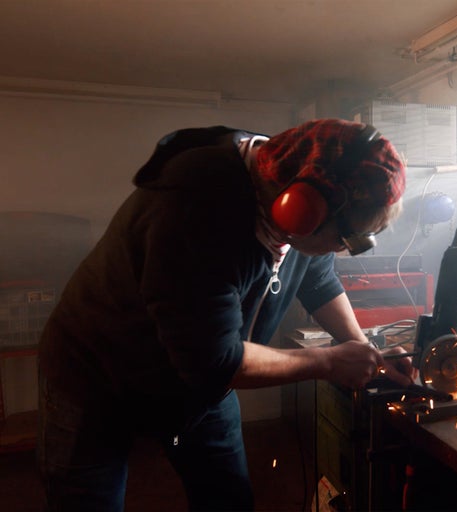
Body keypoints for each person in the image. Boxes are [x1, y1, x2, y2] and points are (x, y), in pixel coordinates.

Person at [36, 119, 416, 511]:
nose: (339, 250)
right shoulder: (195, 211)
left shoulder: (296, 191)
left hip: (199, 383)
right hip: (94, 377)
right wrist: (328, 362)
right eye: (342, 238)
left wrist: (360, 345)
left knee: (227, 501)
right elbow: (214, 362)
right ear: (299, 208)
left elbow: (317, 279)